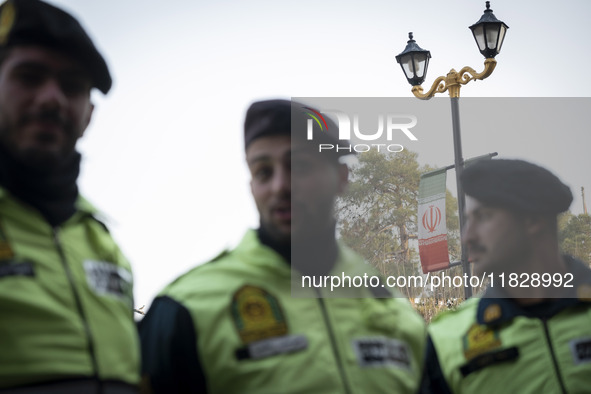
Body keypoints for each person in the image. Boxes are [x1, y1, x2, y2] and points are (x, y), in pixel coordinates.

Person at [139, 99, 426, 393]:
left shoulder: (393, 307)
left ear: (342, 178)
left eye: (299, 166)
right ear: (251, 186)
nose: (280, 186)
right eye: (263, 171)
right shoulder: (185, 308)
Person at [0, 0, 139, 392]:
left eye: (72, 86)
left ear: (89, 114)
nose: (51, 99)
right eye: (29, 77)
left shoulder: (102, 241)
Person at [420, 159, 591, 394]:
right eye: (468, 220)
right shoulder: (446, 339)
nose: (466, 237)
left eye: (483, 217)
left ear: (532, 220)